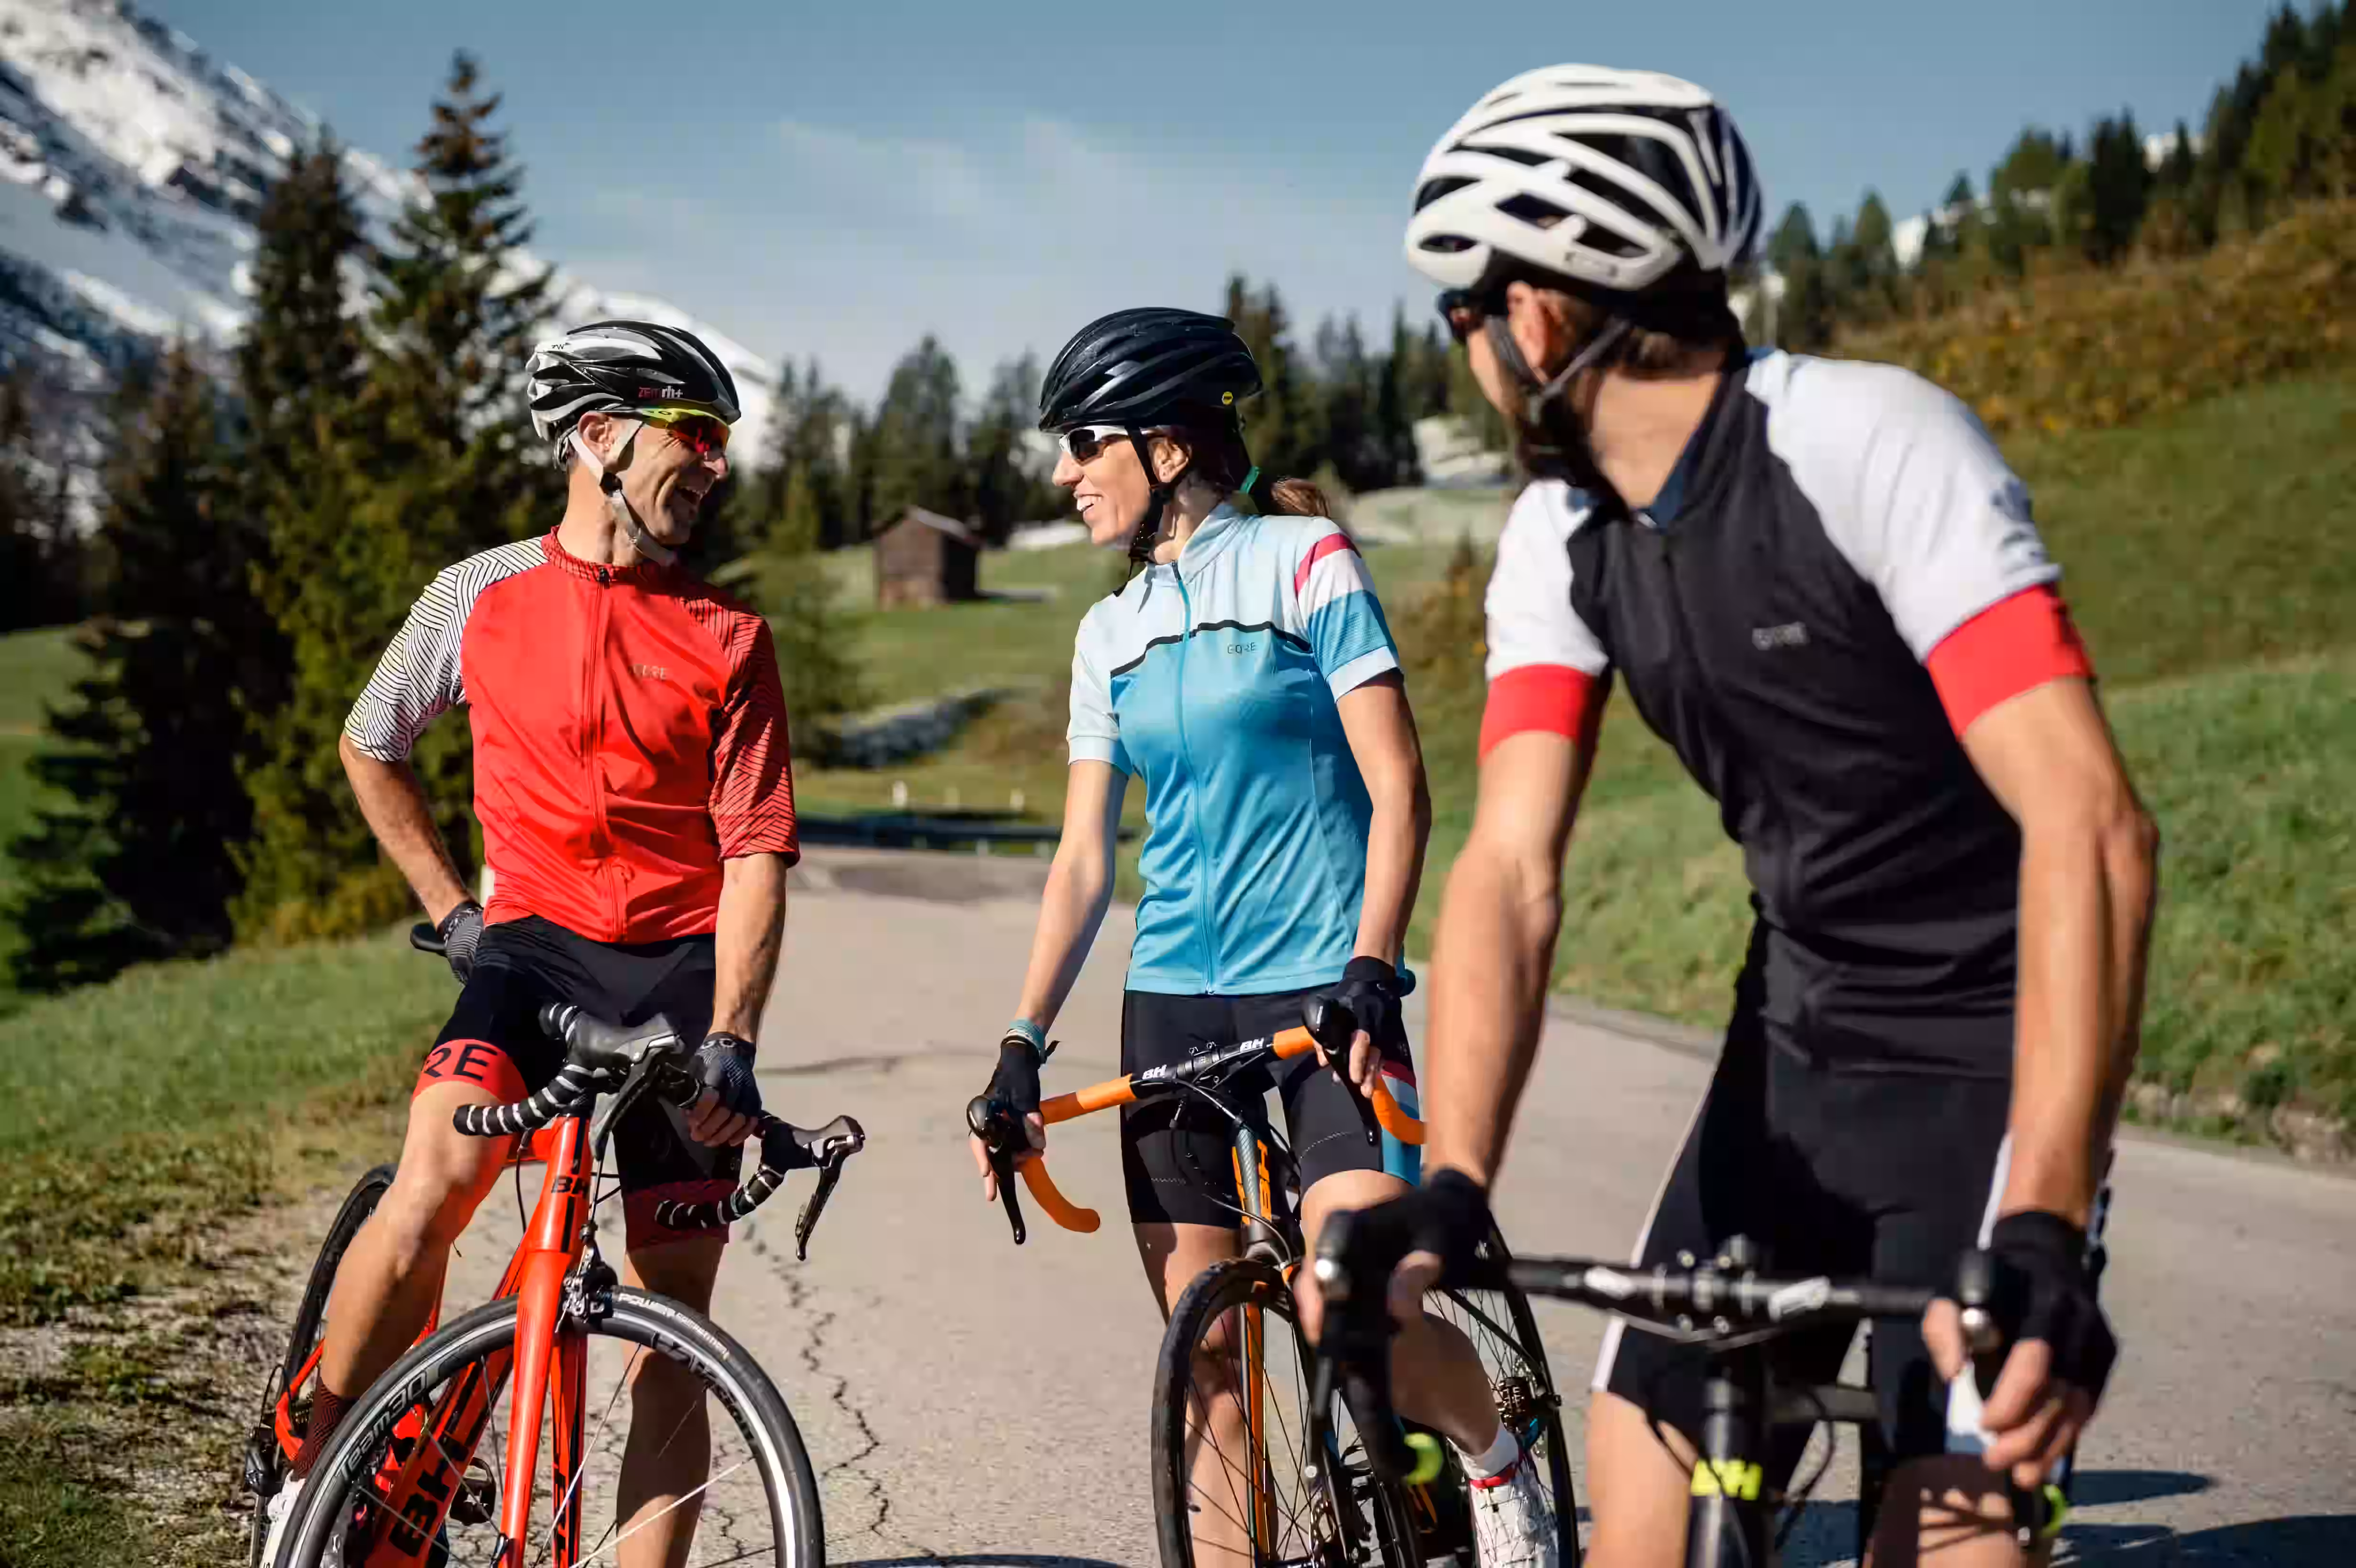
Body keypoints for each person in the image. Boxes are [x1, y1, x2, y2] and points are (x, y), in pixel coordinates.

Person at [1323, 65, 2160, 1568]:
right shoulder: (1561, 536)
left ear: (1535, 317)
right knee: (1643, 1521)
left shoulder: (1870, 443)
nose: (1468, 356)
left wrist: (2041, 1216)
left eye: (1462, 315)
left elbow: (2090, 825)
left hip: (1992, 1059)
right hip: (1791, 1053)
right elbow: (1511, 869)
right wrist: (1452, 1189)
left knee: (1949, 1540)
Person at [964, 307, 1556, 1566]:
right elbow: (1084, 860)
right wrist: (1020, 1040)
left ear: (1168, 447)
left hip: (1324, 991)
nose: (1066, 474)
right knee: (1209, 1367)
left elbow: (1399, 785)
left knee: (1354, 1298)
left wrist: (1372, 962)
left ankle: (1490, 1453)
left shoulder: (1306, 561)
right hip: (1173, 1000)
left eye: (1085, 443)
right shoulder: (1108, 634)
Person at [262, 320, 798, 1568]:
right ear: (600, 437)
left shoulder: (731, 636)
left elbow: (757, 853)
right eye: (695, 436)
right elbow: (370, 741)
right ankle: (314, 1456)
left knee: (677, 1310)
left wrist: (733, 1035)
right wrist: (453, 907)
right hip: (529, 955)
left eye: (723, 444)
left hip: (677, 973)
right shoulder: (479, 595)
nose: (715, 467)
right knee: (436, 1185)